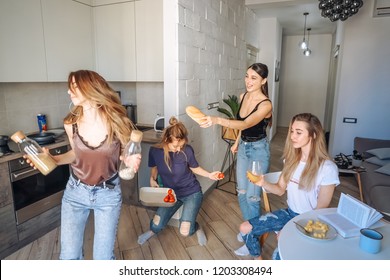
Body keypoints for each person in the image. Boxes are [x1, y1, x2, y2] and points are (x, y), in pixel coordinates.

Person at [26, 70, 141, 259]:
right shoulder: (71, 123)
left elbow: (124, 154)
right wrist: (55, 159)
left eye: (74, 86)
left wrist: (129, 160)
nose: (69, 92)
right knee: (69, 257)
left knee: (102, 259)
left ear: (90, 88)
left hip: (108, 194)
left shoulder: (118, 122)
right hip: (75, 192)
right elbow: (75, 154)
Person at [234, 113, 340, 259]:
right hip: (289, 214)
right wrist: (263, 183)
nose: (292, 136)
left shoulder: (327, 168)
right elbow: (279, 190)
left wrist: (292, 229)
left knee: (278, 257)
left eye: (298, 132)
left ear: (314, 135)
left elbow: (321, 209)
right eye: (292, 131)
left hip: (309, 221)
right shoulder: (291, 160)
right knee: (245, 228)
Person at [200, 63, 273, 222]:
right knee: (241, 192)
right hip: (243, 148)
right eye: (247, 76)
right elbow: (243, 127)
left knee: (252, 197)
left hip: (259, 151)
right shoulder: (243, 96)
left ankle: (251, 237)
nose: (248, 81)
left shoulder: (266, 105)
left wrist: (218, 120)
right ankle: (250, 230)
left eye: (254, 78)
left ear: (263, 81)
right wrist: (236, 142)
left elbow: (247, 123)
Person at [137, 117, 223, 246]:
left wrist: (210, 175)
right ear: (166, 140)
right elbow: (154, 167)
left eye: (181, 145)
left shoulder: (187, 150)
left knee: (185, 231)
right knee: (156, 224)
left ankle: (196, 227)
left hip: (191, 192)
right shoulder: (155, 150)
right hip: (171, 194)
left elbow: (194, 168)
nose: (178, 149)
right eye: (176, 146)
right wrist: (152, 178)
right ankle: (152, 231)